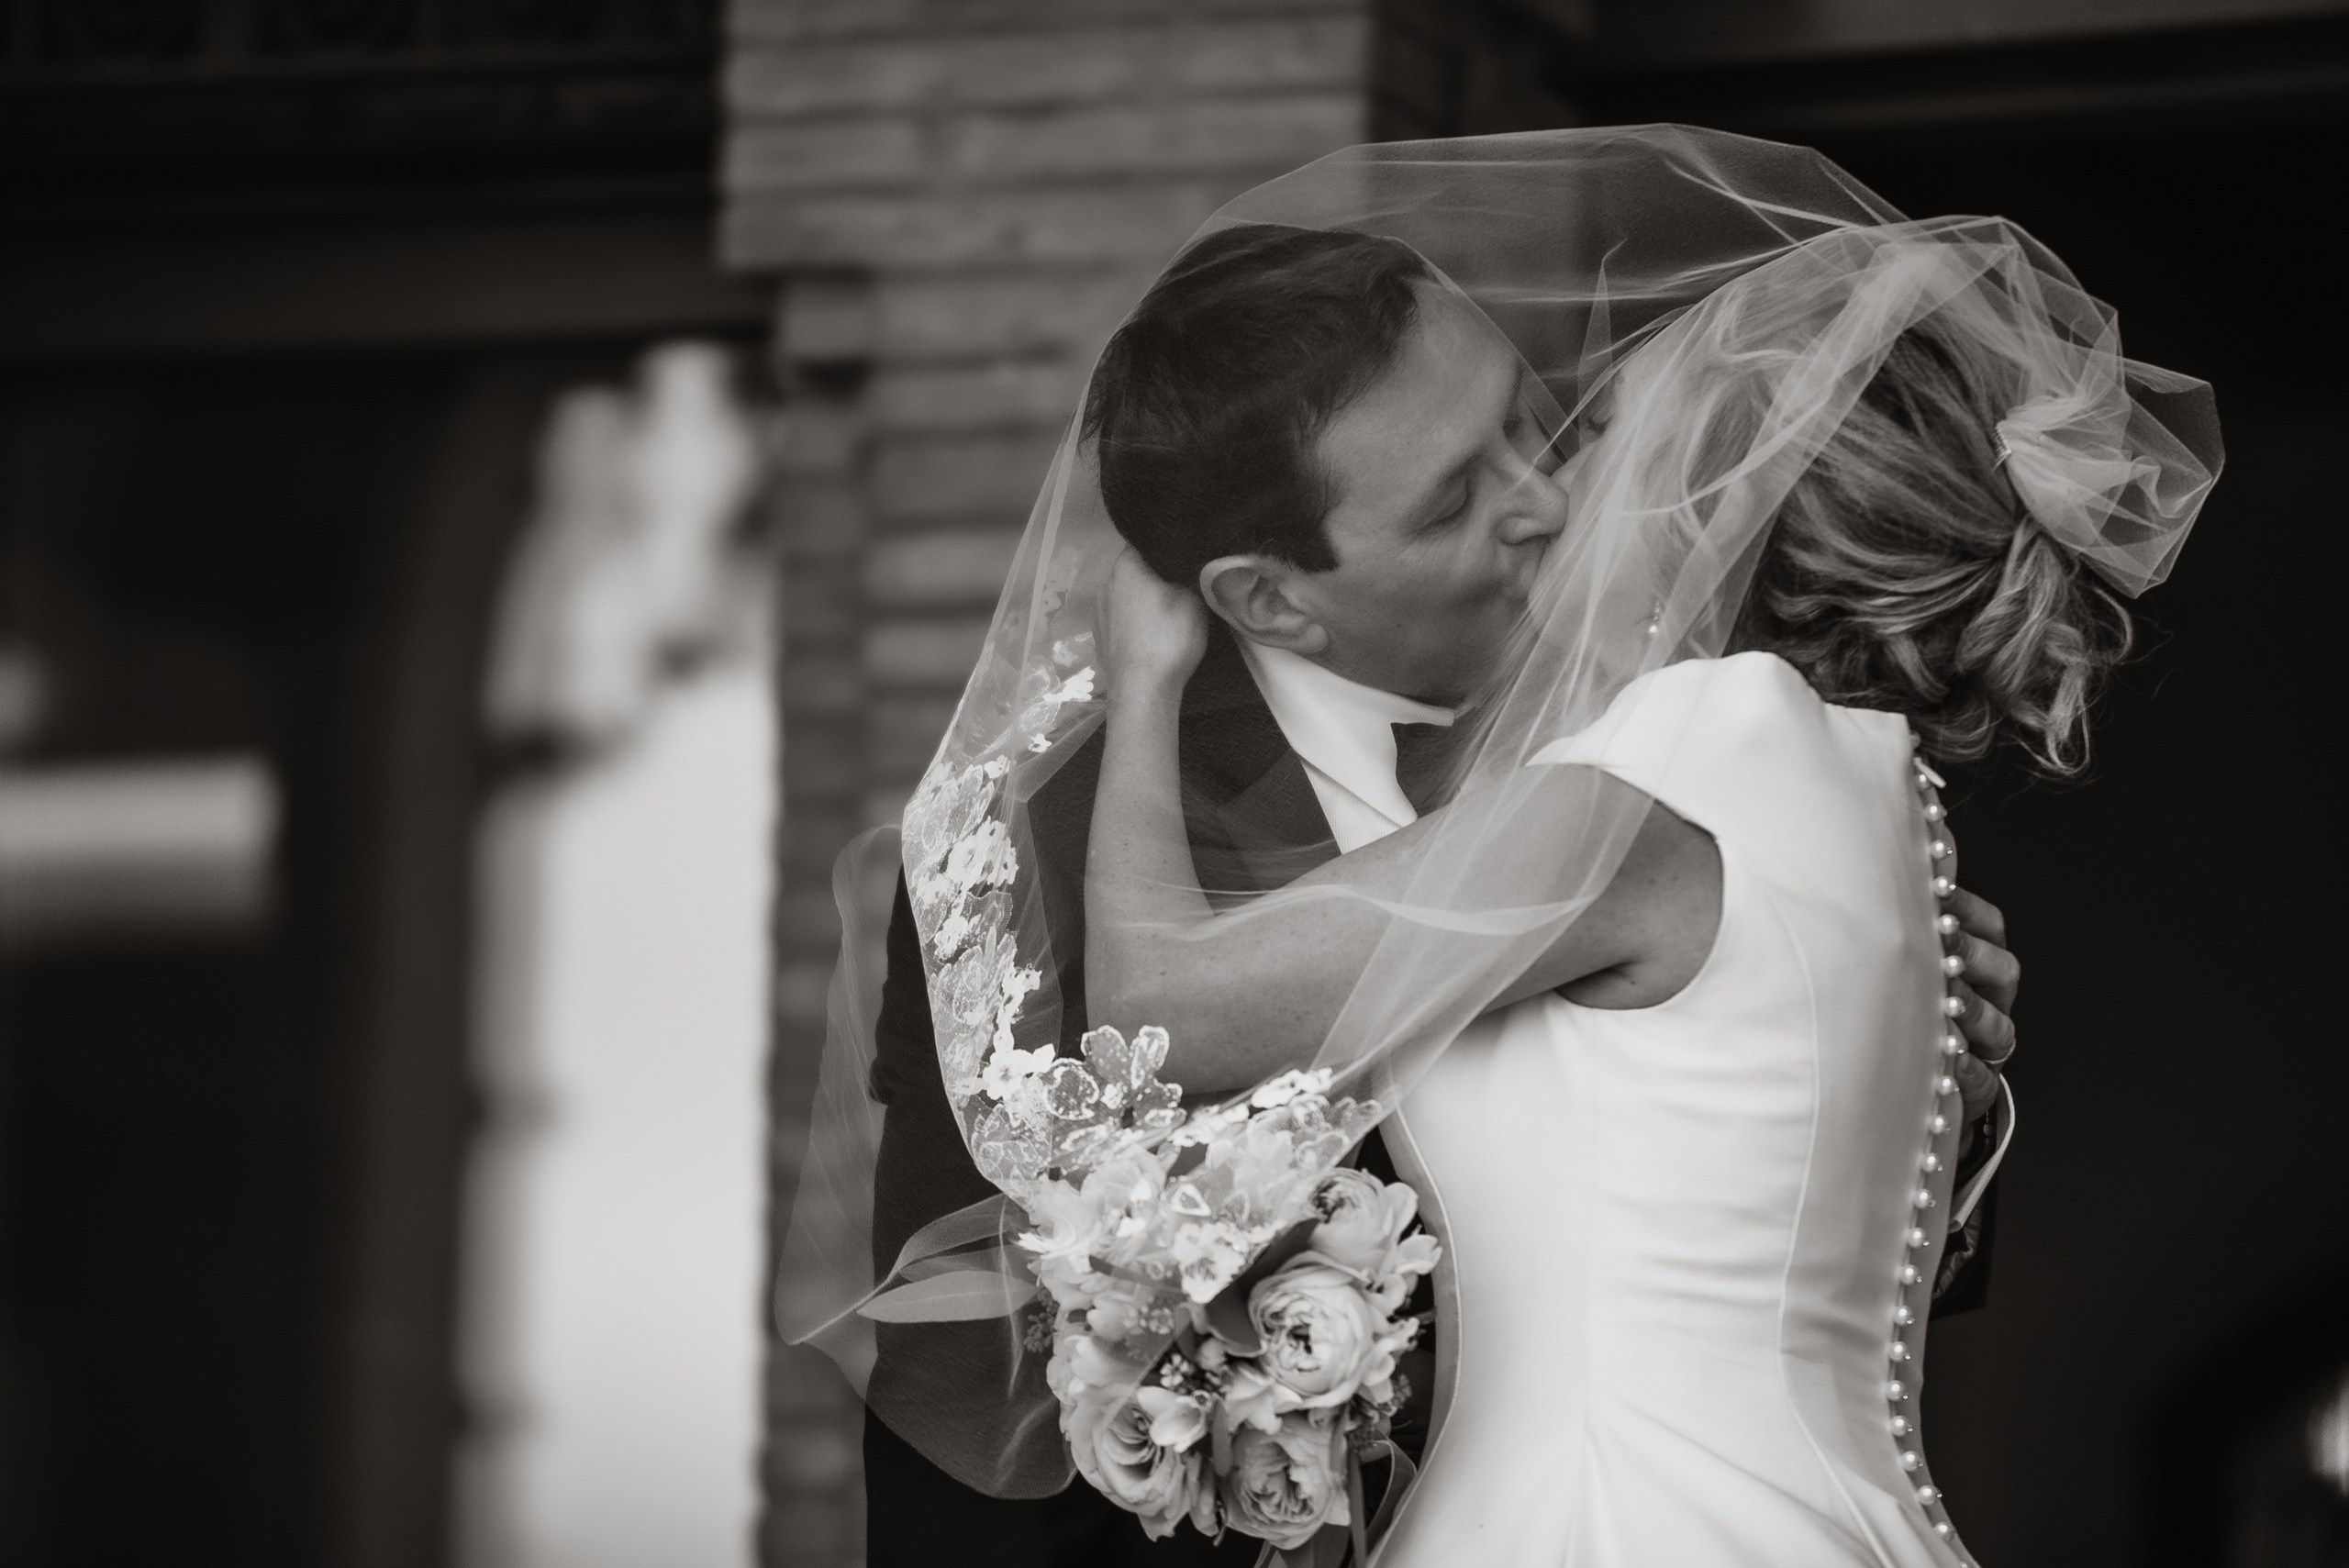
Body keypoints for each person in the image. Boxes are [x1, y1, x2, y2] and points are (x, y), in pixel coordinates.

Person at [774, 128, 2204, 1567]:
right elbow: (969, 1439)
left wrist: (1904, 1060)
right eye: (1457, 497)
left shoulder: (1661, 753)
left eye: (1539, 425)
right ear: (1269, 599)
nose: (1545, 500)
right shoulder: (1042, 869)